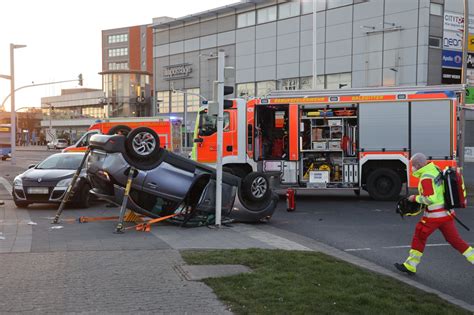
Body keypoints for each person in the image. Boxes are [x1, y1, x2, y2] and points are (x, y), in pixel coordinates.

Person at [395, 153, 473, 275]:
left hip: (434, 216)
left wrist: (414, 198)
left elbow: (430, 198)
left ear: (419, 165)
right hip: (447, 214)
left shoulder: (426, 177)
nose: (412, 168)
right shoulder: (435, 169)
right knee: (455, 241)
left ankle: (410, 265)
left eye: (413, 165)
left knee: (419, 236)